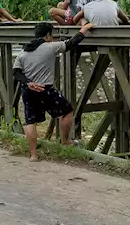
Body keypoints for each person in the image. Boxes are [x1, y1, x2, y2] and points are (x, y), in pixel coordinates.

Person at [13, 22, 86, 162]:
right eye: (51, 34)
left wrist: (28, 83)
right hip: (45, 90)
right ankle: (65, 142)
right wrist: (84, 29)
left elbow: (16, 72)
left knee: (30, 121)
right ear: (47, 35)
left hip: (28, 90)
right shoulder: (51, 47)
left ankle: (33, 155)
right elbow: (72, 43)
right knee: (67, 110)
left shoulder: (24, 51)